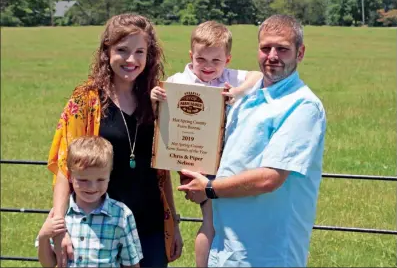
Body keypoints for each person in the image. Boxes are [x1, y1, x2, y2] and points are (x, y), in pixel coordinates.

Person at [178, 14, 327, 267]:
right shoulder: (244, 98)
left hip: (266, 253)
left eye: (282, 49)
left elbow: (270, 178)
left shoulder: (302, 106)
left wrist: (209, 189)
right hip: (225, 250)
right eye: (265, 47)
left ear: (300, 53)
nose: (272, 56)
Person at [47, 14, 182, 268]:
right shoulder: (85, 100)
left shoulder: (157, 99)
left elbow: (161, 170)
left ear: (148, 55)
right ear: (106, 51)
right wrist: (60, 225)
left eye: (139, 52)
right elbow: (65, 165)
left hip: (150, 226)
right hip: (100, 226)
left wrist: (172, 221)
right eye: (122, 50)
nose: (131, 60)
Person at [150, 21, 262, 267]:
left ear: (228, 59)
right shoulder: (179, 81)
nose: (208, 67)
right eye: (201, 60)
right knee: (211, 220)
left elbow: (258, 76)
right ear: (191, 56)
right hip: (195, 163)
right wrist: (155, 97)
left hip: (228, 159)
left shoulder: (229, 77)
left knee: (226, 220)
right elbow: (160, 116)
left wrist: (238, 91)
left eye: (216, 61)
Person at [37, 136, 142, 267]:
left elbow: (132, 264)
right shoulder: (59, 214)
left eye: (100, 180)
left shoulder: (122, 215)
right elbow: (48, 264)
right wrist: (43, 237)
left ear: (109, 175)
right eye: (83, 180)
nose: (92, 187)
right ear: (70, 176)